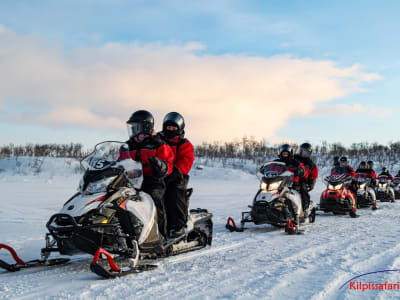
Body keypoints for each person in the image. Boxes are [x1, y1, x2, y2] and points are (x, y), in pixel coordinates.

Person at [124, 110, 174, 239]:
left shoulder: (159, 144)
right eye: (132, 127)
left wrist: (159, 166)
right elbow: (120, 162)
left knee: (153, 200)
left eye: (136, 127)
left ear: (145, 128)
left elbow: (168, 164)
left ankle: (161, 236)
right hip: (131, 182)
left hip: (152, 180)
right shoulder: (128, 145)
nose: (133, 131)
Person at [158, 112, 195, 238]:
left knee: (173, 191)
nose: (171, 129)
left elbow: (185, 163)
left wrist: (173, 172)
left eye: (174, 127)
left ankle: (177, 225)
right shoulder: (157, 139)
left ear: (180, 129)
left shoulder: (184, 144)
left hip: (176, 176)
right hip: (156, 174)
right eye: (168, 127)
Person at [274, 144, 308, 222]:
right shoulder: (277, 162)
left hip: (292, 183)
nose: (285, 155)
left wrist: (299, 170)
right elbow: (270, 166)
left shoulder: (294, 162)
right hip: (278, 183)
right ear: (280, 153)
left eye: (286, 153)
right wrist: (264, 168)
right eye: (283, 153)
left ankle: (302, 210)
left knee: (301, 190)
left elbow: (302, 168)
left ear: (290, 153)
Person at [294, 143, 318, 215]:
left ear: (309, 153)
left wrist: (311, 183)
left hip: (302, 181)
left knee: (303, 191)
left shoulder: (310, 164)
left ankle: (305, 208)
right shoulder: (294, 158)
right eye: (302, 150)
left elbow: (314, 175)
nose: (303, 152)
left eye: (305, 151)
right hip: (290, 178)